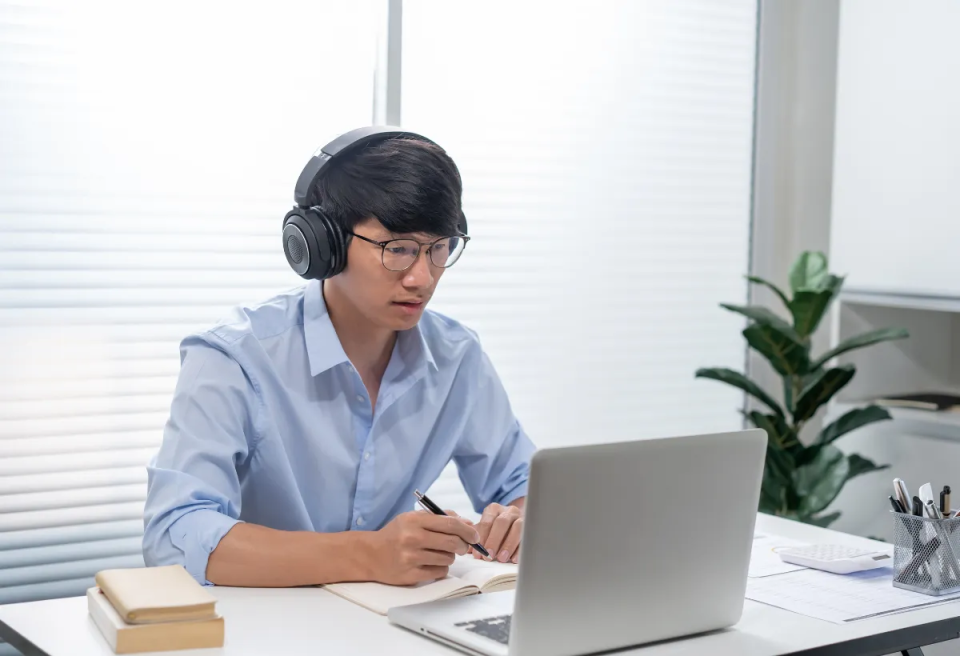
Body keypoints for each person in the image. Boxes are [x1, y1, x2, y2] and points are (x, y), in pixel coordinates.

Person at [142, 128, 535, 588]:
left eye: (439, 248)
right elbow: (173, 535)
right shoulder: (234, 358)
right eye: (398, 249)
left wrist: (520, 520)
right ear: (321, 244)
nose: (422, 277)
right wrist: (367, 555)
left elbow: (523, 485)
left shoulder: (456, 356)